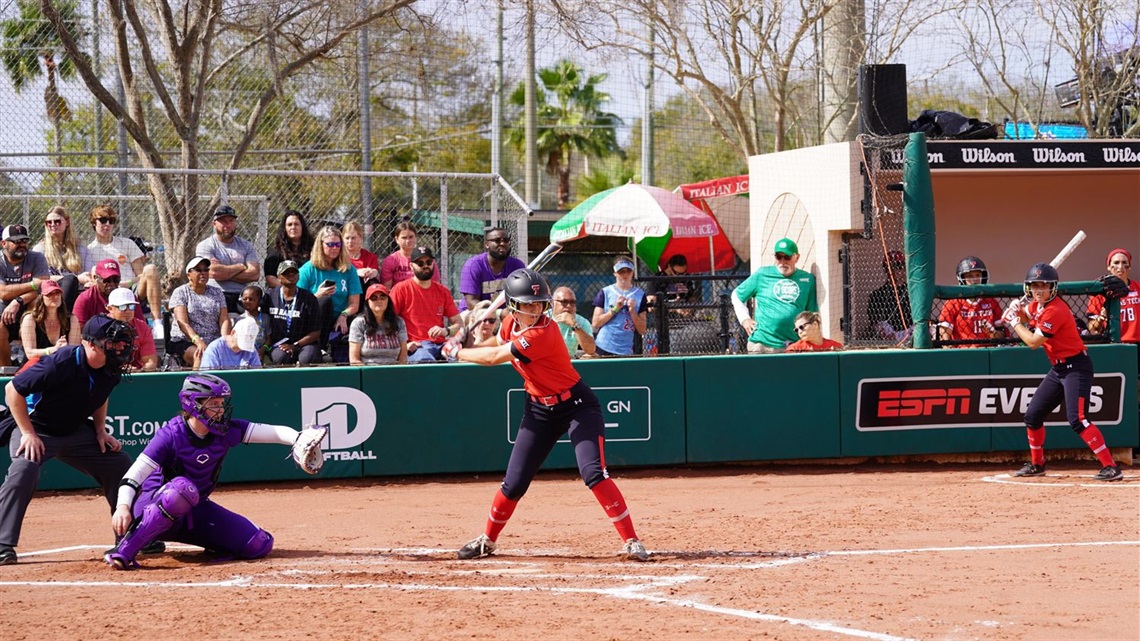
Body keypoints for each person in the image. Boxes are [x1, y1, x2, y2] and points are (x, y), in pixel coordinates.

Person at [443, 268, 649, 562]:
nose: (536, 309)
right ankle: (487, 541)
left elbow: (492, 359)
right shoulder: (509, 325)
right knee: (513, 483)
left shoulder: (542, 332)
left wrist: (456, 353)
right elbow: (494, 345)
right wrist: (467, 344)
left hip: (577, 405)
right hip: (539, 409)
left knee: (593, 473)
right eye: (528, 304)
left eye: (539, 304)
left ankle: (631, 540)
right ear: (513, 306)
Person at [103, 373, 312, 570]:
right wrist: (122, 507)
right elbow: (133, 475)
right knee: (180, 491)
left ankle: (214, 540)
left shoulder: (226, 430)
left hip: (194, 511)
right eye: (213, 404)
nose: (220, 410)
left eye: (221, 404)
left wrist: (297, 438)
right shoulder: (171, 434)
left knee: (257, 544)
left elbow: (271, 432)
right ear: (193, 404)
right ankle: (125, 550)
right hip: (153, 507)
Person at [0, 314, 136, 565]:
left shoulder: (111, 367)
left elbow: (100, 396)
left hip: (74, 430)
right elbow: (12, 390)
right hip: (37, 427)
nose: (120, 348)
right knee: (24, 468)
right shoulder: (60, 362)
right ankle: (2, 543)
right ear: (90, 343)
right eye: (113, 343)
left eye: (121, 343)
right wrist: (28, 433)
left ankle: (132, 536)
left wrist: (100, 431)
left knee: (120, 465)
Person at [1004, 263, 1123, 482]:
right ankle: (1037, 464)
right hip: (1058, 368)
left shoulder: (1056, 310)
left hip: (1076, 367)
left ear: (1053, 288)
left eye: (1044, 286)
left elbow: (1032, 341)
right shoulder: (1036, 306)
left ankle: (1111, 467)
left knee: (1078, 419)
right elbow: (1026, 316)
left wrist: (1013, 322)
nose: (1039, 290)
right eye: (1035, 286)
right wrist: (1017, 311)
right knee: (1032, 416)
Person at [84, 205, 163, 333]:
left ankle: (157, 324)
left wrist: (127, 283)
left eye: (111, 221)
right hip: (106, 291)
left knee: (151, 269)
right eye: (103, 220)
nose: (107, 224)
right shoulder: (89, 250)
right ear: (94, 223)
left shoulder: (127, 243)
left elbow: (141, 274)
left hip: (131, 289)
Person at [732, 238, 818, 353]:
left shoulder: (808, 280)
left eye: (787, 257)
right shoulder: (762, 274)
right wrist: (744, 319)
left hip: (793, 345)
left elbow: (811, 313)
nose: (783, 261)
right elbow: (737, 295)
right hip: (761, 344)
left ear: (797, 257)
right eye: (779, 257)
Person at [388, 246, 462, 363]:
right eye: (420, 263)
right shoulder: (400, 289)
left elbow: (459, 324)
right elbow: (387, 322)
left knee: (462, 358)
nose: (425, 266)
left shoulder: (443, 291)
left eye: (428, 262)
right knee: (426, 361)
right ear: (411, 266)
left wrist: (446, 331)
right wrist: (403, 345)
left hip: (442, 344)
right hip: (418, 346)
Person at [297, 225, 362, 357]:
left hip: (339, 319)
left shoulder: (349, 269)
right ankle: (321, 346)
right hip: (312, 319)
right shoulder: (308, 269)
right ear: (321, 245)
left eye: (338, 244)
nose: (334, 248)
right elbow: (297, 302)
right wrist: (316, 295)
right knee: (325, 301)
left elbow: (354, 303)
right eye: (330, 244)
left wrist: (343, 315)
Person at [0, 224, 50, 367]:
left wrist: (18, 300)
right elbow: (2, 292)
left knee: (38, 303)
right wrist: (33, 285)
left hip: (27, 304)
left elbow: (44, 285)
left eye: (24, 241)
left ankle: (30, 364)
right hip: (3, 309)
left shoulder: (37, 258)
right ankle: (6, 370)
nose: (22, 245)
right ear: (4, 244)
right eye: (16, 242)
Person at [195, 205, 260, 313]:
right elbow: (214, 272)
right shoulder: (205, 245)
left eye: (231, 221)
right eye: (223, 221)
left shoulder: (247, 245)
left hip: (241, 295)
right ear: (214, 224)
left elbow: (254, 274)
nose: (228, 225)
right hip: (214, 294)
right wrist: (241, 266)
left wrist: (224, 272)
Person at [168, 257, 231, 369]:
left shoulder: (217, 292)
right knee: (202, 355)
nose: (203, 273)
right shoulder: (181, 292)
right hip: (185, 341)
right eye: (198, 270)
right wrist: (198, 342)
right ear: (189, 275)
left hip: (213, 340)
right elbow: (182, 323)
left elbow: (224, 319)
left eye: (206, 270)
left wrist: (224, 341)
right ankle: (196, 384)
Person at [263, 260, 322, 366]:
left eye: (294, 272)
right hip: (279, 343)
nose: (290, 275)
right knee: (281, 357)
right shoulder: (269, 296)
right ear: (279, 276)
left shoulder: (308, 298)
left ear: (298, 276)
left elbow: (316, 332)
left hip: (305, 343)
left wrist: (296, 345)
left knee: (307, 358)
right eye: (286, 272)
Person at [937, 256, 1005, 347]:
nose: (974, 279)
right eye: (969, 276)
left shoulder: (992, 301)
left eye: (977, 275)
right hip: (963, 352)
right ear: (961, 278)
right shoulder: (952, 302)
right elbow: (944, 335)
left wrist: (992, 333)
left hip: (988, 350)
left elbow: (1002, 336)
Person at [33, 205, 91, 310]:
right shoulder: (40, 249)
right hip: (51, 294)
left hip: (78, 294)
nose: (53, 225)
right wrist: (76, 279)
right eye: (48, 222)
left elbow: (89, 275)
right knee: (71, 280)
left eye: (57, 221)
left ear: (67, 222)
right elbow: (41, 279)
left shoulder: (81, 248)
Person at [458, 227, 526, 311]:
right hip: (475, 315)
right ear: (487, 244)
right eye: (497, 240)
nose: (502, 243)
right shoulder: (473, 265)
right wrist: (498, 313)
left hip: (506, 314)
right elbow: (471, 303)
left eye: (506, 240)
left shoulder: (517, 266)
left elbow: (523, 296)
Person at [591, 256, 648, 357]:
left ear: (632, 273)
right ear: (615, 273)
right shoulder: (605, 292)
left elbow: (642, 329)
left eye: (628, 271)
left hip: (626, 349)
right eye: (621, 271)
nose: (625, 275)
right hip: (603, 346)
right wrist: (615, 309)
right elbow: (595, 323)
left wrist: (632, 311)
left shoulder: (640, 294)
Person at [18, 279, 79, 362]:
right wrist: (53, 350)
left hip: (60, 367)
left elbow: (75, 353)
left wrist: (66, 349)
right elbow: (30, 353)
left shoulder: (72, 320)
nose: (55, 296)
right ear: (41, 298)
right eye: (49, 294)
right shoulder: (30, 320)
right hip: (35, 368)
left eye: (58, 292)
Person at [348, 282, 408, 365]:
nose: (379, 300)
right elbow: (354, 360)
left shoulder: (399, 322)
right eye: (374, 298)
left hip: (393, 371)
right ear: (367, 302)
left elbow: (403, 357)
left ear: (388, 300)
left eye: (382, 297)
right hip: (368, 371)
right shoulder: (358, 323)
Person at [1087, 248, 1139, 342]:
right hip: (1113, 342)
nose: (1120, 267)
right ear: (1109, 266)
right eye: (1116, 262)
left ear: (1129, 266)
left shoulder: (1138, 288)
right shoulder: (1098, 293)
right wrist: (1101, 317)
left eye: (1124, 262)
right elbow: (1092, 328)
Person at [105, 288, 158, 372]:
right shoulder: (100, 327)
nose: (128, 311)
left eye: (131, 306)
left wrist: (139, 372)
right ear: (110, 308)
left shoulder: (143, 328)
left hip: (136, 375)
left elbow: (150, 362)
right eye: (122, 307)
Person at [865, 250, 910, 343]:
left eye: (898, 266)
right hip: (887, 340)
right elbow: (877, 323)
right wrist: (889, 335)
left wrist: (902, 336)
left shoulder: (912, 293)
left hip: (910, 337)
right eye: (889, 267)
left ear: (904, 268)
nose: (894, 270)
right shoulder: (876, 295)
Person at [380, 221, 440, 289]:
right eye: (404, 238)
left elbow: (436, 285)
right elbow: (387, 289)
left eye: (411, 237)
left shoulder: (427, 259)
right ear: (397, 239)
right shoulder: (390, 260)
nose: (408, 241)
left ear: (416, 237)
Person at [263, 209, 314, 289]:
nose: (293, 227)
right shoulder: (276, 254)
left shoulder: (313, 250)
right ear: (284, 228)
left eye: (296, 224)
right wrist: (293, 289)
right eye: (290, 225)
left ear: (302, 227)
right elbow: (270, 279)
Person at [548, 286, 595, 358]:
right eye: (564, 302)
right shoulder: (543, 319)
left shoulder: (582, 322)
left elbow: (591, 350)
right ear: (552, 302)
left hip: (568, 363)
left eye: (572, 302)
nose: (569, 306)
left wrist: (574, 325)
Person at [342, 220, 380, 286]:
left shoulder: (370, 257)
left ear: (360, 238)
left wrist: (372, 272)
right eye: (347, 238)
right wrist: (356, 272)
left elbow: (374, 272)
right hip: (345, 286)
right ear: (342, 239)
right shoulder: (339, 257)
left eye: (353, 238)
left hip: (365, 288)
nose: (350, 241)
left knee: (373, 282)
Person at [238, 284, 269, 359]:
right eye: (244, 299)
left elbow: (269, 338)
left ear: (259, 301)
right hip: (245, 353)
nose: (247, 302)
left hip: (262, 352)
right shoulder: (239, 319)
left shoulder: (265, 318)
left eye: (251, 299)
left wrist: (263, 349)